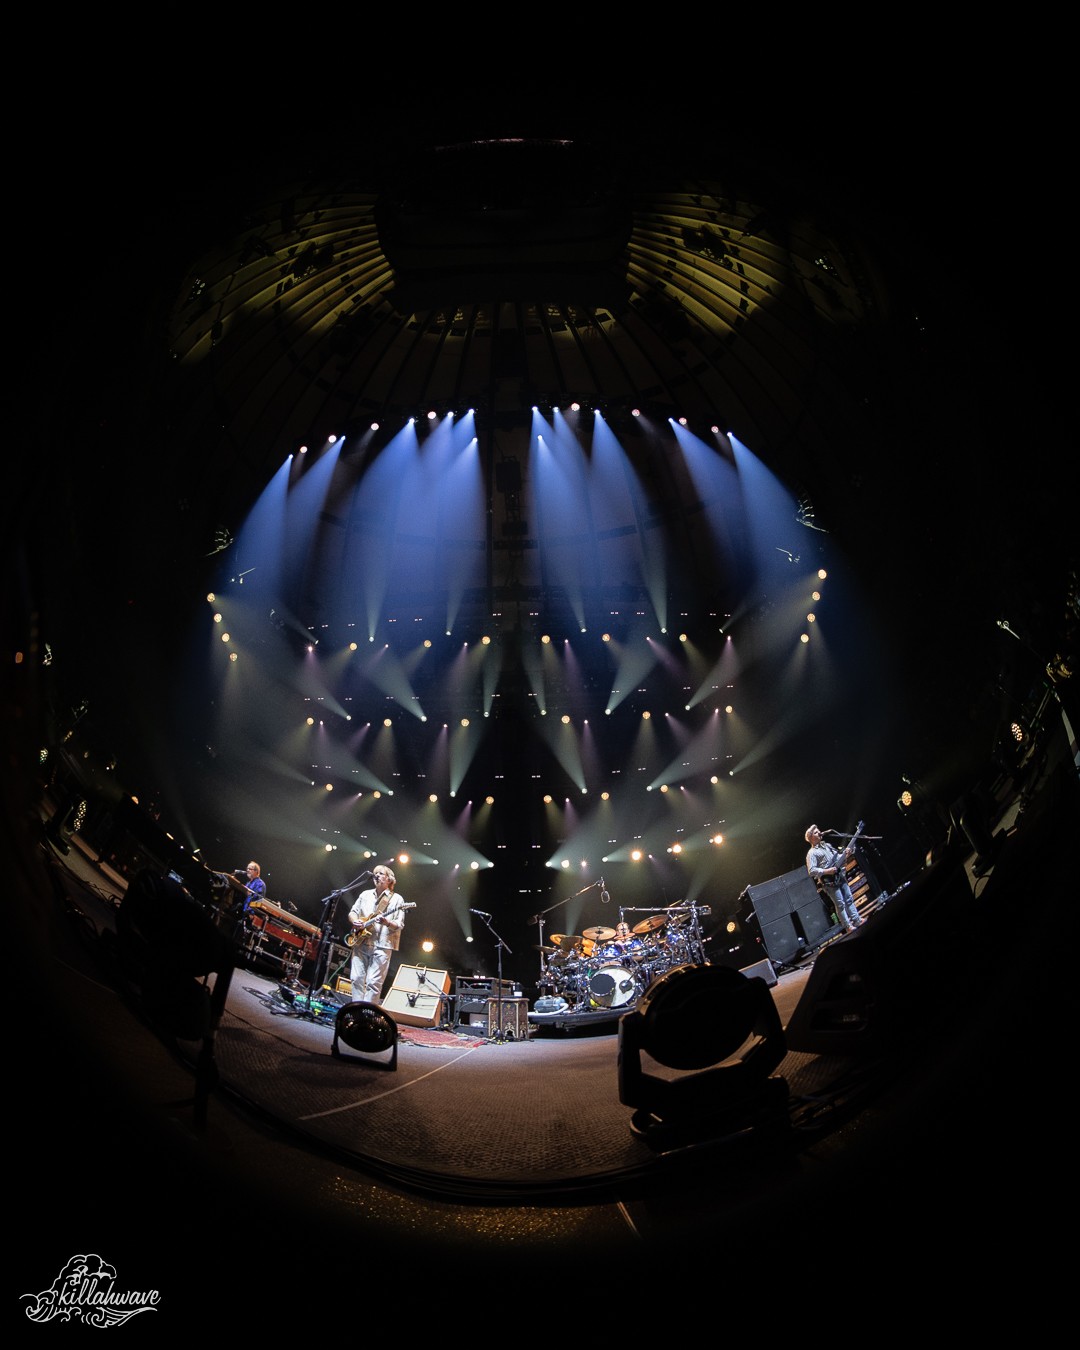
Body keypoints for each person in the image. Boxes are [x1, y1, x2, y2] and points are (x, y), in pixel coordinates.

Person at [347, 865, 407, 1005]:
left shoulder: (397, 899)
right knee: (356, 978)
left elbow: (399, 924)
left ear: (389, 879)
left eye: (381, 873)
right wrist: (355, 920)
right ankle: (356, 1009)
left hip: (382, 945)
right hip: (361, 941)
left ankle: (367, 1012)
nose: (377, 875)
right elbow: (353, 912)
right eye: (375, 873)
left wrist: (387, 922)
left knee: (373, 983)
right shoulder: (365, 895)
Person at [805, 825, 865, 933]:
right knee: (840, 904)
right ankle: (848, 926)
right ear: (811, 838)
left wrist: (846, 854)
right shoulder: (811, 853)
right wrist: (827, 871)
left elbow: (837, 858)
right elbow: (811, 870)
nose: (819, 832)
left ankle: (857, 920)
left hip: (839, 875)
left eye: (819, 830)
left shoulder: (827, 845)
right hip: (829, 882)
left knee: (849, 898)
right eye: (816, 832)